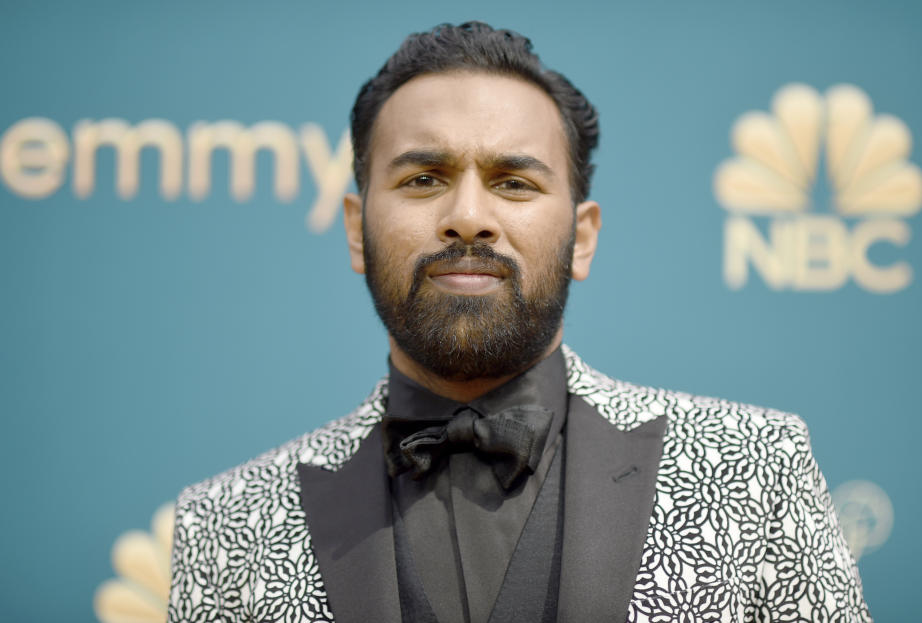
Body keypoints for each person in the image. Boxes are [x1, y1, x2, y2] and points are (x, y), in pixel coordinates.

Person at [167, 21, 871, 623]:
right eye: (422, 179)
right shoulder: (224, 525)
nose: (468, 215)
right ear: (356, 230)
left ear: (582, 235)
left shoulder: (754, 469)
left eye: (513, 182)